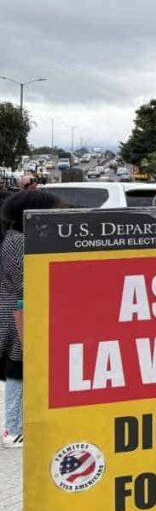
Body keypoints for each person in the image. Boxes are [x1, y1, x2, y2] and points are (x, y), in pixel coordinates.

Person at [0, 189, 60, 448]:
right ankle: (12, 429)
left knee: (23, 370)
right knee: (16, 371)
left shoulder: (23, 237)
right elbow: (23, 281)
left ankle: (21, 423)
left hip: (22, 311)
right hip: (17, 314)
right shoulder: (17, 241)